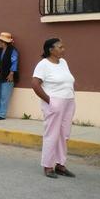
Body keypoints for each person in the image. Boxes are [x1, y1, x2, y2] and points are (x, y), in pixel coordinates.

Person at [32, 38, 77, 179]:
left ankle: (60, 164)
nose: (63, 49)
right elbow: (35, 84)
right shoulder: (43, 65)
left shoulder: (63, 62)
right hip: (54, 102)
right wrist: (50, 101)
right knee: (52, 134)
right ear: (50, 50)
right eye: (60, 47)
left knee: (64, 134)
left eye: (63, 46)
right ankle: (48, 166)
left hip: (68, 101)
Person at [0, 32, 18, 120]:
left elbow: (14, 62)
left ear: (4, 42)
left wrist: (11, 73)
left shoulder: (12, 50)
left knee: (4, 96)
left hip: (8, 76)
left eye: (0, 41)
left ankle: (2, 114)